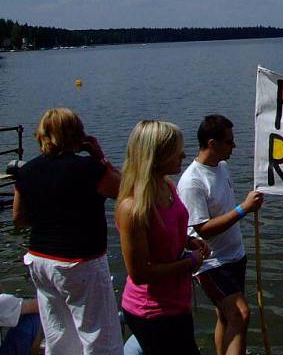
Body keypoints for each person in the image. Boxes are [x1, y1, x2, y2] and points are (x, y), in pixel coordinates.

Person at [12, 107, 123, 354]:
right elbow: (127, 191)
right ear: (78, 135)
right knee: (99, 337)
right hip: (79, 262)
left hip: (40, 260)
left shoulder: (27, 171)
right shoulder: (89, 169)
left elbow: (19, 218)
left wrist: (49, 216)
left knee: (58, 335)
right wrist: (101, 157)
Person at [116, 120, 209, 355]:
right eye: (176, 151)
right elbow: (139, 273)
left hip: (177, 302)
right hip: (152, 310)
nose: (184, 155)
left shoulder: (167, 185)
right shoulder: (133, 208)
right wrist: (190, 262)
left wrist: (188, 241)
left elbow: (168, 229)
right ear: (156, 156)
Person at [177, 115, 264, 355]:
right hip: (211, 262)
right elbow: (202, 228)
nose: (234, 146)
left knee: (226, 317)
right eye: (229, 142)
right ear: (212, 144)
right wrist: (243, 209)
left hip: (235, 255)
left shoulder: (222, 167)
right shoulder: (192, 181)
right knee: (240, 315)